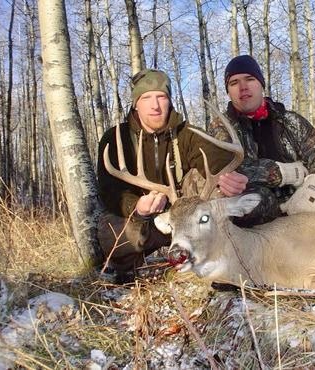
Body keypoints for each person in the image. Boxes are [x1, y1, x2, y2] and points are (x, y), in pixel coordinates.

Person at [97, 69, 244, 283]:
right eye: (146, 98)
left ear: (169, 100)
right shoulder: (115, 137)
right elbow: (110, 192)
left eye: (161, 97)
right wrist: (137, 206)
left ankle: (212, 259)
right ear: (135, 103)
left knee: (210, 185)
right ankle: (127, 269)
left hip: (184, 219)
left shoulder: (187, 134)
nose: (155, 105)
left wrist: (228, 177)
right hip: (146, 222)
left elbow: (215, 159)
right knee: (112, 231)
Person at [210, 55, 315, 226]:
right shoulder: (221, 127)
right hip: (260, 207)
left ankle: (302, 233)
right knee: (253, 202)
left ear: (261, 84)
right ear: (228, 92)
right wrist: (282, 173)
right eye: (234, 83)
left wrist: (312, 190)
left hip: (300, 202)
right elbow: (229, 169)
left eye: (250, 79)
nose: (243, 87)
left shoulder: (290, 121)